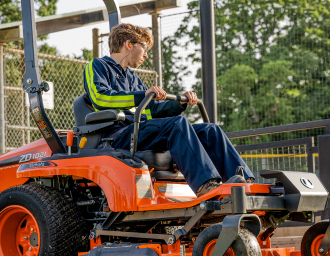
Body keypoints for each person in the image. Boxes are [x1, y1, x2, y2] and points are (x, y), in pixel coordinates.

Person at [82, 23, 254, 197]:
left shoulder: (133, 78)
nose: (146, 55)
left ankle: (246, 183)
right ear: (129, 44)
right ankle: (206, 185)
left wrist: (180, 103)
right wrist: (143, 95)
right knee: (177, 124)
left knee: (210, 130)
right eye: (144, 48)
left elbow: (152, 110)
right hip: (117, 135)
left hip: (140, 131)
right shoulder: (98, 65)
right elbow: (100, 98)